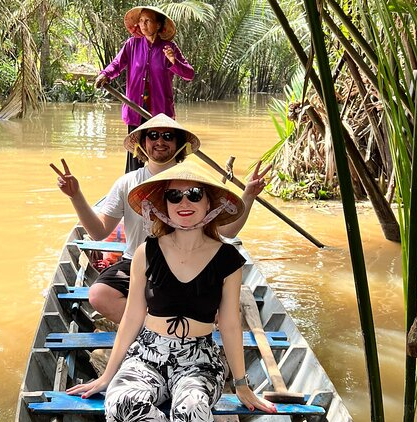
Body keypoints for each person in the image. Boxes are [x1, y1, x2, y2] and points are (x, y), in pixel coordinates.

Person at [66, 161, 277, 422]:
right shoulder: (145, 252)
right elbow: (133, 317)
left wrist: (243, 386)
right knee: (122, 402)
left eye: (194, 194)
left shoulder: (227, 259)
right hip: (148, 354)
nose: (184, 203)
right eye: (174, 197)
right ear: (163, 206)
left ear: (209, 203)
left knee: (191, 408)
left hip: (199, 359)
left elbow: (231, 324)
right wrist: (108, 376)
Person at [50, 113, 271, 324]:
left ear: (179, 144)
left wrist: (248, 195)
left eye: (168, 136)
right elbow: (99, 232)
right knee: (99, 295)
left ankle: (163, 322)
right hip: (137, 263)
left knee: (213, 309)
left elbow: (226, 233)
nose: (160, 142)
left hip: (187, 262)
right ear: (142, 143)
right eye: (153, 135)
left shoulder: (195, 183)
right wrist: (75, 195)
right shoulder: (127, 183)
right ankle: (155, 329)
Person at [94, 6, 194, 173]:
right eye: (141, 21)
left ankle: (162, 187)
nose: (143, 25)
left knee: (163, 155)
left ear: (158, 25)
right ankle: (133, 190)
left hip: (160, 114)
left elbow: (189, 74)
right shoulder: (132, 45)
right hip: (136, 110)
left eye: (148, 21)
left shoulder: (169, 48)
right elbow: (117, 64)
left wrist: (173, 61)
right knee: (135, 157)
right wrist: (105, 75)